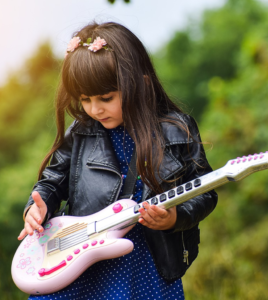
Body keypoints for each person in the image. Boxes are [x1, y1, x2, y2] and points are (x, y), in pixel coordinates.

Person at [18, 22, 218, 300]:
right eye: (85, 99)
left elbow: (204, 192)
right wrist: (37, 207)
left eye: (106, 97)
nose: (95, 109)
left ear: (141, 82)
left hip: (146, 261)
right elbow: (52, 181)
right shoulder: (81, 130)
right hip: (82, 259)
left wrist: (174, 217)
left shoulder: (176, 129)